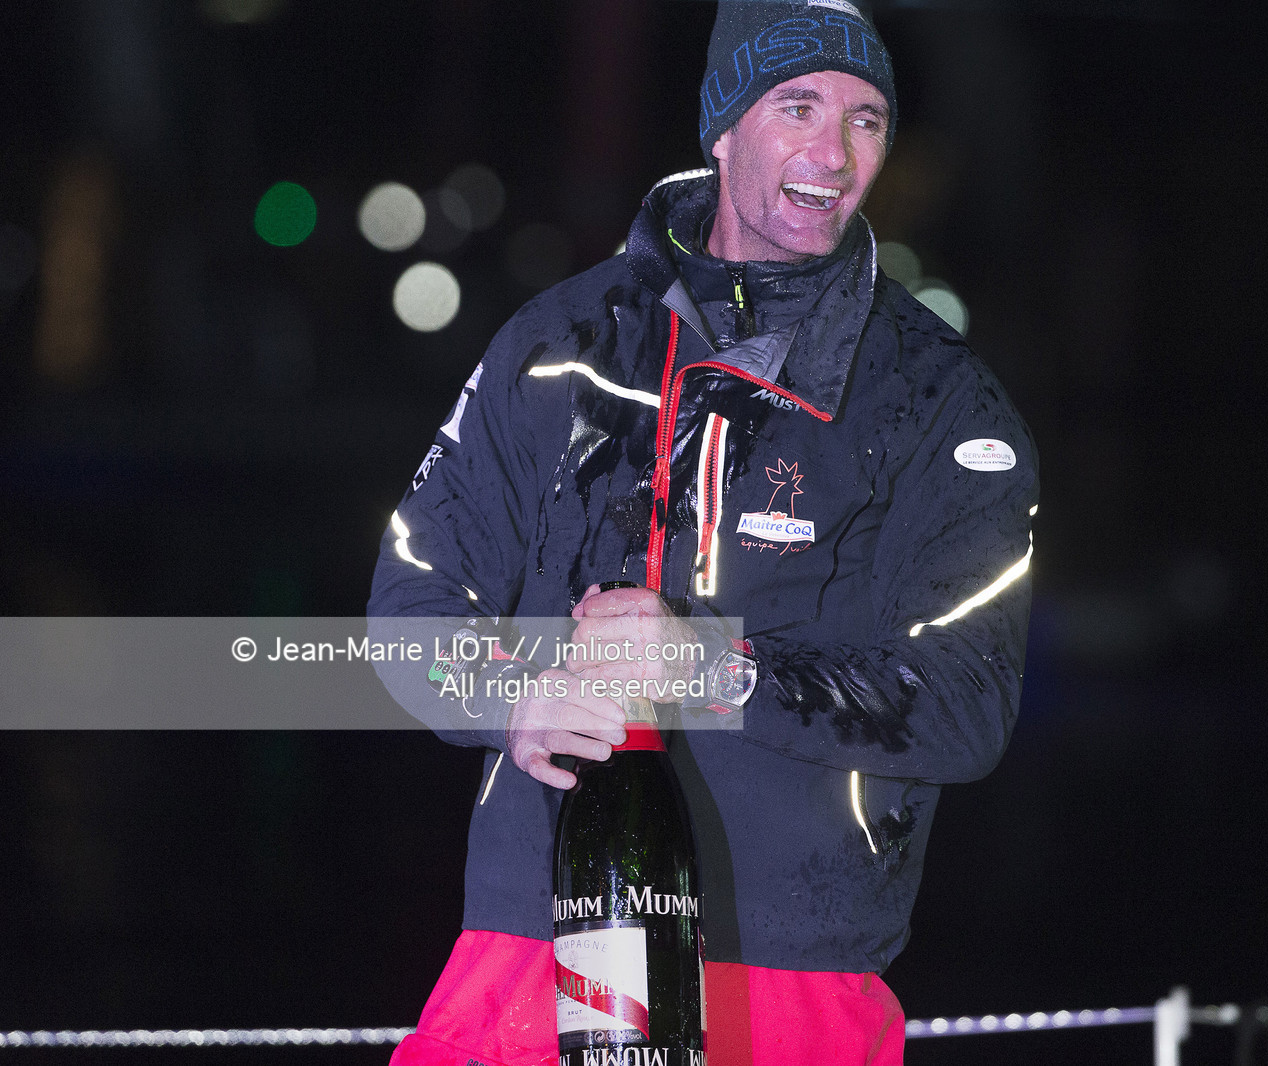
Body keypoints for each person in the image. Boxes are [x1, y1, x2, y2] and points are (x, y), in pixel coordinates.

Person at [368, 2, 1038, 1063]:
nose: (834, 151)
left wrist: (711, 667)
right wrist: (510, 697)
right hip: (526, 954)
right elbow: (404, 609)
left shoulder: (946, 406)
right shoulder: (553, 349)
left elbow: (966, 705)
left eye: (867, 118)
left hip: (791, 976)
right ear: (721, 125)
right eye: (799, 107)